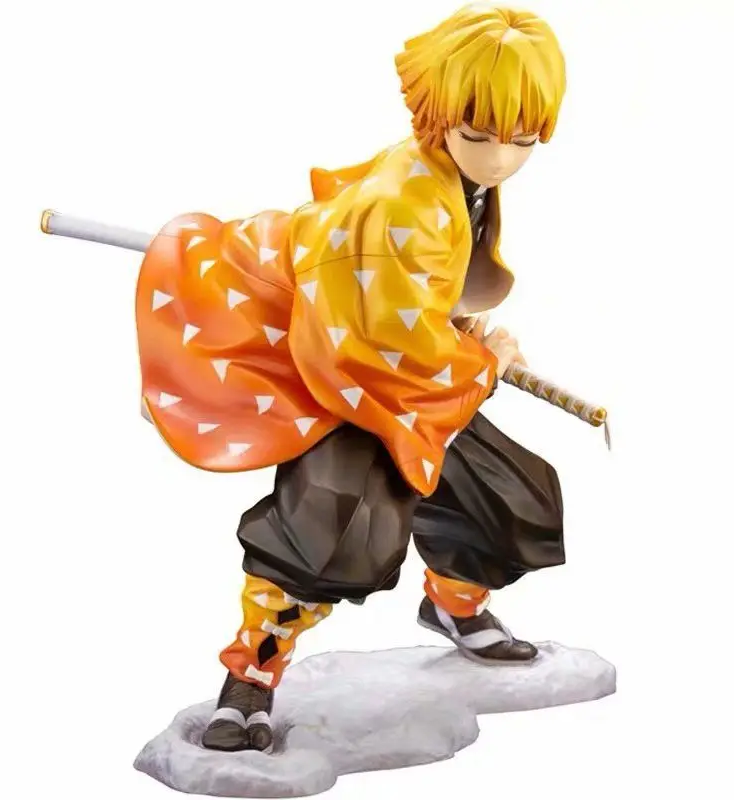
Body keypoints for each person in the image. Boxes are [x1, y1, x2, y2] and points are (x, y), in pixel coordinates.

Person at [134, 2, 566, 752]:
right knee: (333, 528)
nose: (500, 158)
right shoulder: (399, 202)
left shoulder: (455, 178)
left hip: (394, 369)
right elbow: (374, 343)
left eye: (522, 140)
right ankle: (251, 677)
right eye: (480, 135)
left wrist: (457, 329)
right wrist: (484, 362)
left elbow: (414, 298)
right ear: (437, 113)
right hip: (326, 367)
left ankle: (454, 607)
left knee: (508, 499)